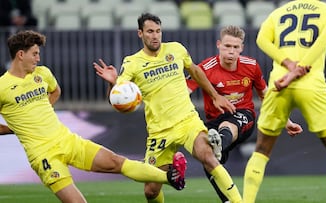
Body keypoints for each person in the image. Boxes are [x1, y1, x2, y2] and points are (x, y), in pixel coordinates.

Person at [0, 30, 188, 203]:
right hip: (44, 155)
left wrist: (39, 113)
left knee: (116, 162)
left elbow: (55, 91)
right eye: (34, 53)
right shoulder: (3, 87)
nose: (38, 58)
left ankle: (170, 177)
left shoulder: (43, 73)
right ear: (20, 55)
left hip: (67, 140)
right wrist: (13, 128)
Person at [93, 13, 244, 203]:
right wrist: (112, 83)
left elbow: (195, 71)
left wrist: (215, 96)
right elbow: (116, 99)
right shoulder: (132, 63)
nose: (155, 36)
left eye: (158, 31)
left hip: (187, 121)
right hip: (160, 132)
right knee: (151, 191)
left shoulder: (176, 49)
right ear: (140, 34)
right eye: (150, 32)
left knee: (208, 156)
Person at [242, 1, 326, 203]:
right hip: (311, 85)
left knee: (261, 150)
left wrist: (288, 65)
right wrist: (298, 69)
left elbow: (261, 40)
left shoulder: (278, 12)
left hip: (278, 84)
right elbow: (321, 43)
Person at [187, 25, 303, 203]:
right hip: (213, 121)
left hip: (244, 116)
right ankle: (227, 199)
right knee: (208, 159)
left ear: (241, 48)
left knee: (227, 127)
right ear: (219, 45)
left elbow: (266, 96)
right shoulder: (205, 68)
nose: (231, 51)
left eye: (235, 47)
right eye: (227, 46)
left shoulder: (251, 66)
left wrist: (286, 121)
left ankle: (218, 142)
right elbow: (183, 92)